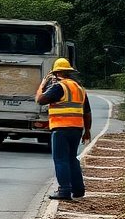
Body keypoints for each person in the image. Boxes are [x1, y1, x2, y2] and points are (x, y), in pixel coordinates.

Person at [34, 57, 93, 200]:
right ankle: (78, 190)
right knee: (72, 158)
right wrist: (87, 131)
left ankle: (64, 191)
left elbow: (39, 100)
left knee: (60, 160)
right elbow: (87, 112)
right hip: (77, 129)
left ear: (56, 73)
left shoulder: (58, 87)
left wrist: (43, 84)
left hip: (60, 128)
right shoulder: (79, 89)